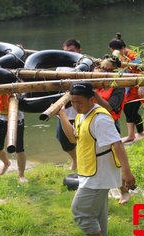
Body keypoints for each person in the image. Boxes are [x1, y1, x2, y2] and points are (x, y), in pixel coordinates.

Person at [58, 82, 135, 236]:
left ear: (92, 99)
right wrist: (62, 115)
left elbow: (117, 144)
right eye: (73, 101)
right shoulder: (81, 116)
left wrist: (127, 173)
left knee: (80, 212)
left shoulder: (101, 118)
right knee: (97, 214)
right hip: (89, 171)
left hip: (100, 174)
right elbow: (73, 138)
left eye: (79, 102)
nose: (76, 106)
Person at [93, 57, 131, 204]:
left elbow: (110, 107)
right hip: (92, 125)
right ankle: (103, 192)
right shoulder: (96, 80)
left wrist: (94, 93)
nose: (105, 72)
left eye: (109, 70)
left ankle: (124, 192)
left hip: (109, 124)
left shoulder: (118, 86)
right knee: (96, 160)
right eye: (103, 68)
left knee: (113, 160)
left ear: (116, 70)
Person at [109, 32, 144, 143]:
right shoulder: (120, 56)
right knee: (128, 110)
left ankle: (135, 134)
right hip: (127, 88)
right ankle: (135, 134)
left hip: (136, 87)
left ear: (118, 49)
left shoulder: (133, 55)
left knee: (132, 111)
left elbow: (142, 69)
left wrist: (142, 86)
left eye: (112, 50)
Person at [55, 39, 82, 170]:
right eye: (65, 52)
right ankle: (76, 159)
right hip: (64, 110)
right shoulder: (60, 66)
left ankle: (85, 162)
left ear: (79, 51)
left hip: (80, 111)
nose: (68, 54)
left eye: (71, 51)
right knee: (63, 139)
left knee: (83, 138)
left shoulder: (84, 65)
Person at [0, 93, 27, 183]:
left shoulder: (17, 82)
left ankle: (21, 175)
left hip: (17, 118)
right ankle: (6, 163)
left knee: (19, 149)